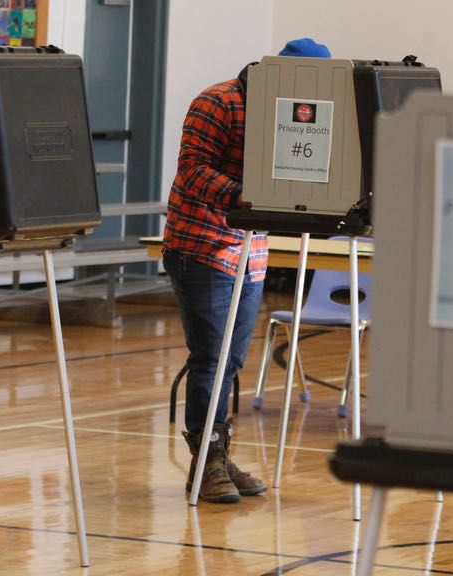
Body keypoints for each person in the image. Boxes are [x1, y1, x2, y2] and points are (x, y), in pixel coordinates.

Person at [162, 37, 332, 503]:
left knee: (232, 361)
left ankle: (217, 454)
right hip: (201, 244)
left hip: (252, 251)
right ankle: (207, 459)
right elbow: (192, 171)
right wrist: (247, 197)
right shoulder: (218, 102)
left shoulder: (298, 112)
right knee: (212, 358)